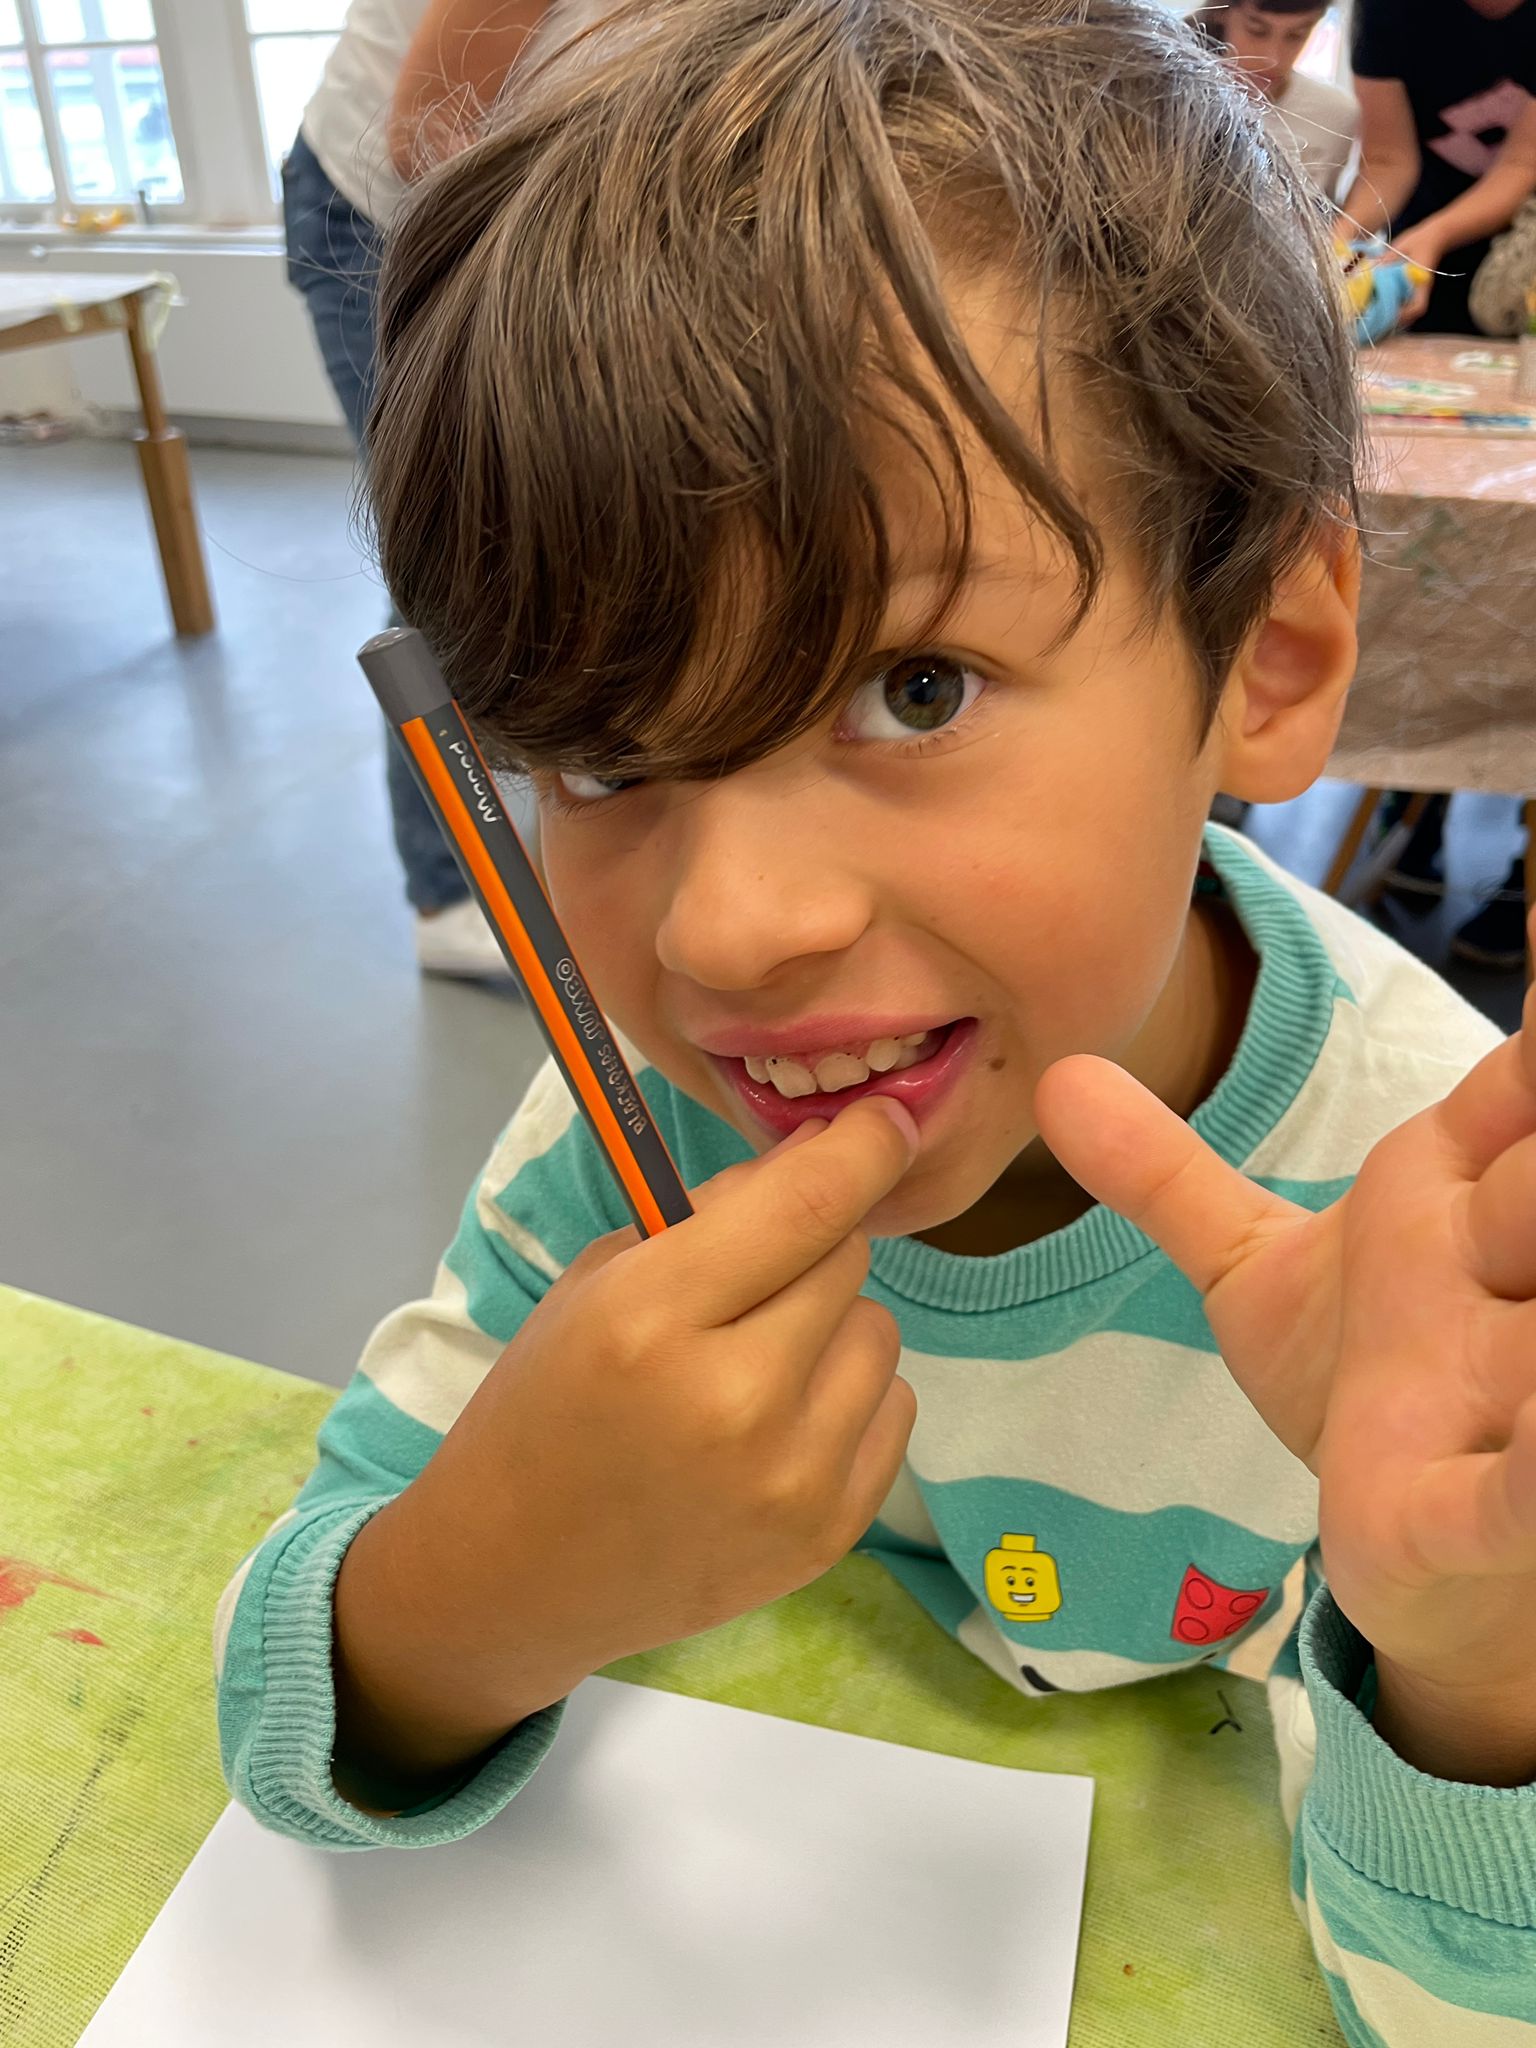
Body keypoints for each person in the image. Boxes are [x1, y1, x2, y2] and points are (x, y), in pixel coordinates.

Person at [217, 3, 1536, 2038]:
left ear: (1266, 656)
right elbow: (280, 1709)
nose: (731, 935)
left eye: (913, 690)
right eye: (600, 754)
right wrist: (478, 1589)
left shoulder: (1428, 1231)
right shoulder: (631, 1141)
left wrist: (1469, 1668)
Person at [284, 0, 569, 979]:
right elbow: (429, 137)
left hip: (534, 197)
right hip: (383, 209)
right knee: (458, 557)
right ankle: (450, 893)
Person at [1342, 0, 1536, 332]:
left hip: (1518, 253)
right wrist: (1340, 237)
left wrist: (1437, 234)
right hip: (1419, 237)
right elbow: (1388, 160)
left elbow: (1522, 163)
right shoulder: (1384, 10)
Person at [1189, 1, 1358, 201]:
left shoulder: (1336, 114)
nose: (1273, 58)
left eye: (1296, 35)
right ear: (1220, 13)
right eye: (1257, 31)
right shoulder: (1178, 99)